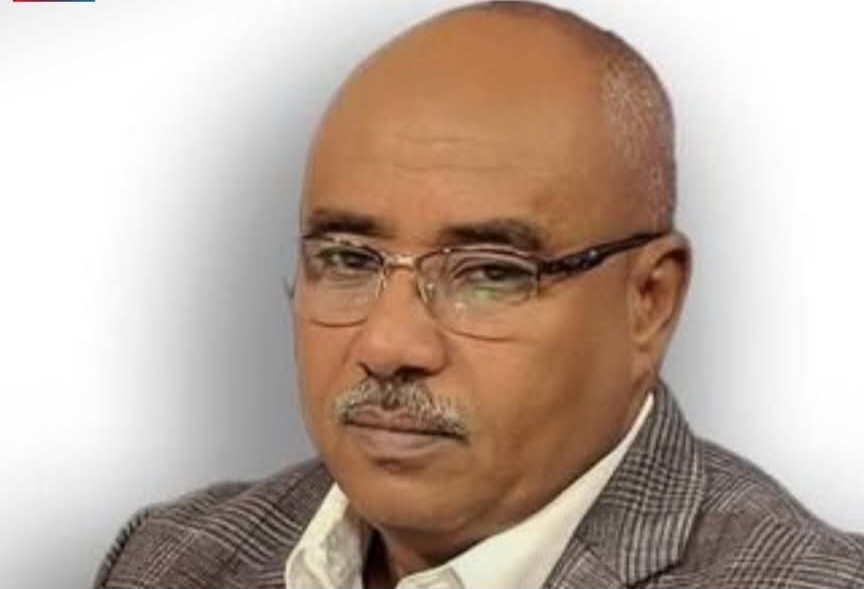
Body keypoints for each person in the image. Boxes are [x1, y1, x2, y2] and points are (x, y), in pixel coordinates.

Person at [94, 2, 864, 588]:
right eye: (348, 258)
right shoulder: (170, 557)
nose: (388, 343)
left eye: (490, 272)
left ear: (649, 302)